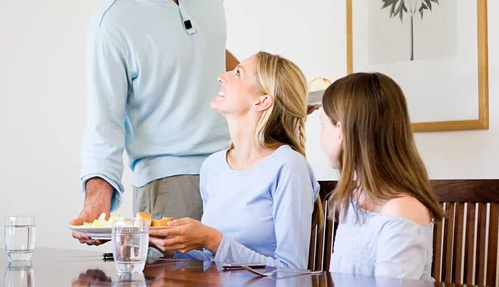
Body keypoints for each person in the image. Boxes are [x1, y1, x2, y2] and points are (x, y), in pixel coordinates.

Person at [71, 0, 239, 245]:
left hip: (233, 167)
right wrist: (97, 197)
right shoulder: (111, 24)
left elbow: (209, 48)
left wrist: (276, 95)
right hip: (167, 184)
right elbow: (105, 123)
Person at [149, 52, 322, 269]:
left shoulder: (288, 166)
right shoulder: (213, 166)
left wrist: (211, 239)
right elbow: (214, 261)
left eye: (238, 73)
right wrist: (162, 244)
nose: (222, 76)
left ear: (262, 100)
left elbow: (292, 270)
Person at [319, 72, 444, 280]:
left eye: (323, 125)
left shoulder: (400, 211)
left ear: (340, 132)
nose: (321, 136)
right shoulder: (354, 198)